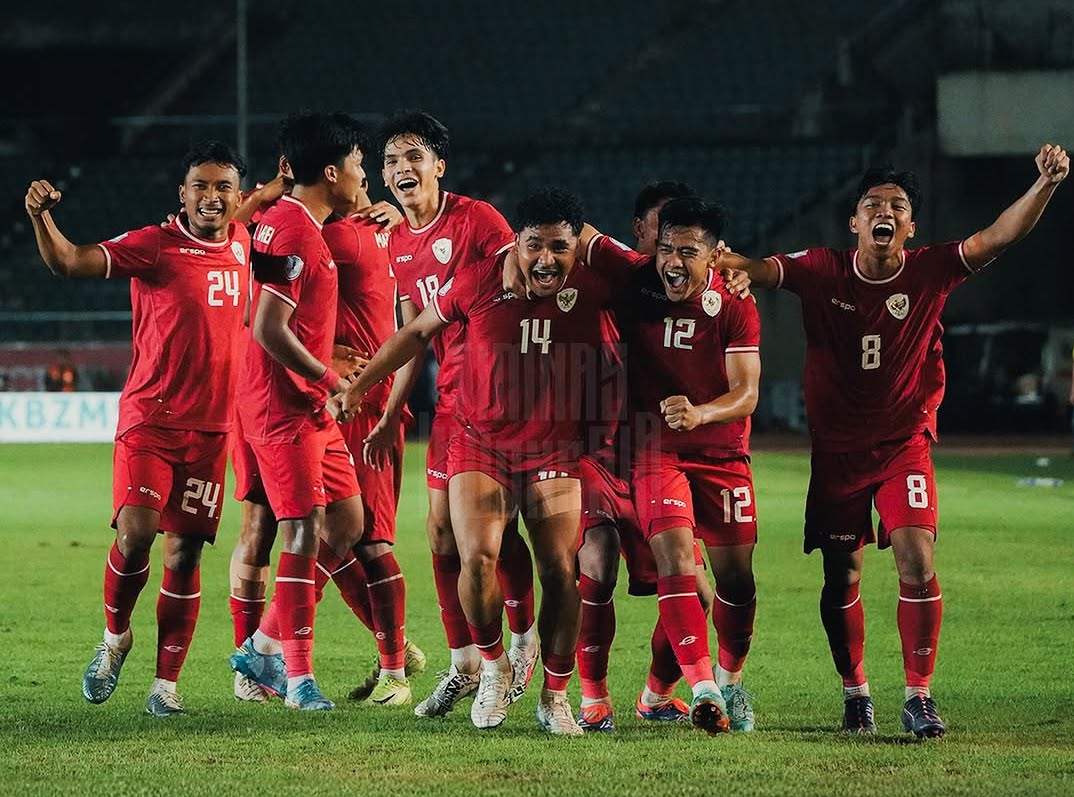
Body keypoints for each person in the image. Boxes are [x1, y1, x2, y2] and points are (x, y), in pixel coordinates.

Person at [721, 144, 1069, 737]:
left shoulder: (932, 268)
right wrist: (730, 265)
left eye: (898, 205)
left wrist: (1045, 185)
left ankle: (918, 696)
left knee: (916, 558)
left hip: (903, 442)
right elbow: (761, 268)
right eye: (874, 204)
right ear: (855, 222)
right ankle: (856, 694)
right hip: (837, 454)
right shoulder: (820, 268)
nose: (886, 210)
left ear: (910, 226)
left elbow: (996, 237)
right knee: (842, 578)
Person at [342, 188, 638, 735]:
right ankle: (494, 665)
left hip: (554, 448)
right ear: (515, 244)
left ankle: (554, 695)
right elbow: (414, 331)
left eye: (560, 247)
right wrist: (362, 386)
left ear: (578, 247)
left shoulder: (596, 286)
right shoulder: (480, 280)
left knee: (560, 569)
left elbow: (657, 277)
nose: (546, 260)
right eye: (534, 246)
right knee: (474, 558)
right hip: (481, 443)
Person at [25, 141, 250, 716]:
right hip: (150, 421)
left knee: (186, 555)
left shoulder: (248, 242)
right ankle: (114, 638)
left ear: (238, 196)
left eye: (223, 186)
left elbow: (282, 202)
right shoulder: (155, 245)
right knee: (137, 534)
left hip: (213, 430)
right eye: (200, 185)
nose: (211, 196)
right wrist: (40, 216)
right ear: (182, 192)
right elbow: (69, 262)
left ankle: (165, 686)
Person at [367, 110, 538, 717]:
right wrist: (391, 412)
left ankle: (519, 643)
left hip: (500, 404)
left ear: (440, 165)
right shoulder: (397, 242)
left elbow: (521, 285)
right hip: (450, 405)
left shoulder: (478, 220)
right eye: (390, 160)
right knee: (441, 534)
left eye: (414, 156)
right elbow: (416, 332)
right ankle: (465, 663)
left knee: (488, 538)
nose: (401, 169)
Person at [227, 112, 369, 711]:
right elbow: (267, 328)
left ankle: (262, 643)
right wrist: (328, 374)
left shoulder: (282, 220)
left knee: (348, 524)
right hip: (283, 406)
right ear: (332, 172)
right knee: (303, 529)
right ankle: (298, 678)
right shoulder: (295, 233)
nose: (366, 175)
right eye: (360, 164)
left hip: (306, 405)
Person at [614, 196, 762, 735]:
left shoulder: (737, 304)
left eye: (689, 252)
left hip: (722, 453)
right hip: (655, 448)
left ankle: (722, 681)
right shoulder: (636, 283)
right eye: (667, 248)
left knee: (736, 583)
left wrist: (701, 413)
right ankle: (704, 687)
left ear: (716, 254)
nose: (674, 262)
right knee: (676, 559)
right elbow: (575, 235)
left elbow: (746, 392)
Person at [574, 180, 717, 733]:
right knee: (597, 563)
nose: (672, 252)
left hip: (653, 454)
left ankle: (657, 694)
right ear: (641, 231)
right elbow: (562, 226)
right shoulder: (611, 273)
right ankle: (592, 695)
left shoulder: (700, 292)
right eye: (664, 233)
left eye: (687, 242)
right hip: (593, 451)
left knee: (699, 592)